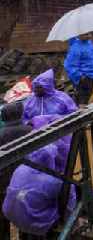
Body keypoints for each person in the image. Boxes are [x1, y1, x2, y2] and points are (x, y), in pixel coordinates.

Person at [2, 144, 74, 238]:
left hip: (10, 214)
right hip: (33, 223)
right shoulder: (52, 181)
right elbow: (70, 201)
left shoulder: (20, 169)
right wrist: (67, 221)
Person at [0, 103, 32, 240]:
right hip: (27, 178)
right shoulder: (30, 130)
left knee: (3, 211)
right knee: (25, 207)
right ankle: (25, 235)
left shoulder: (1, 134)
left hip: (5, 180)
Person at [63, 34, 93, 105]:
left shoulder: (89, 43)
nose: (89, 36)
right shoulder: (75, 48)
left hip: (91, 76)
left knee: (88, 96)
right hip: (83, 78)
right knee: (81, 100)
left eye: (89, 33)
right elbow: (70, 65)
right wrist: (81, 77)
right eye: (86, 34)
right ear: (79, 34)